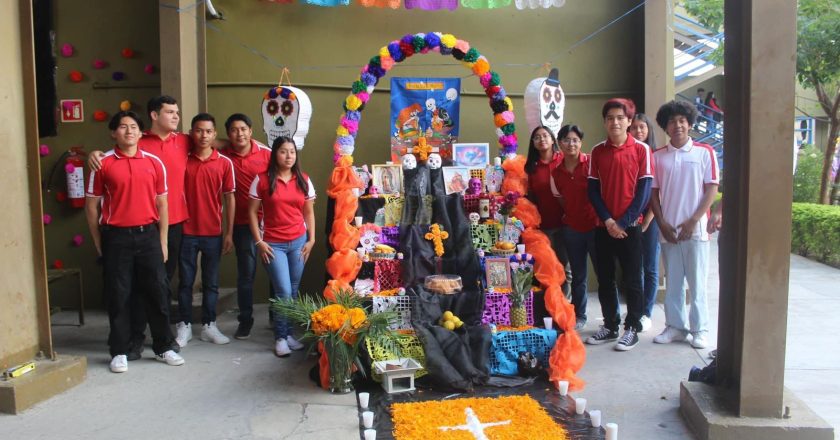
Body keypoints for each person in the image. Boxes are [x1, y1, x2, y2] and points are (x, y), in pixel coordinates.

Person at [88, 95, 191, 361]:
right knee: (119, 294)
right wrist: (99, 243)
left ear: (139, 131)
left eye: (133, 127)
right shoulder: (103, 164)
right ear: (114, 133)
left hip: (149, 236)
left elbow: (163, 205)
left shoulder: (154, 163)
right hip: (116, 237)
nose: (129, 131)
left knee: (158, 290)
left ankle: (164, 345)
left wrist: (163, 241)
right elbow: (91, 207)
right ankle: (120, 350)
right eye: (123, 127)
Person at [585, 98, 653, 351]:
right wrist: (609, 220)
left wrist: (623, 222)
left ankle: (632, 327)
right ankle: (611, 325)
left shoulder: (641, 150)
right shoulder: (597, 151)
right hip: (603, 226)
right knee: (605, 279)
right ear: (604, 122)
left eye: (620, 118)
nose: (615, 122)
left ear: (629, 121)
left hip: (630, 227)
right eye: (610, 118)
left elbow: (644, 191)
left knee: (634, 279)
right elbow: (593, 191)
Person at [651, 100, 719, 349]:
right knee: (673, 282)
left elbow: (711, 189)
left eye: (682, 120)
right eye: (672, 121)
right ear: (665, 127)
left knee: (697, 283)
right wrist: (662, 223)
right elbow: (653, 194)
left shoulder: (704, 152)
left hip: (697, 231)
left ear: (689, 124)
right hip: (669, 231)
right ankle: (675, 327)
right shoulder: (657, 157)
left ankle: (700, 329)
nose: (677, 125)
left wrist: (693, 220)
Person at [248, 136, 316, 357]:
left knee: (293, 291)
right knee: (283, 291)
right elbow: (251, 212)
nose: (288, 156)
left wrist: (311, 240)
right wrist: (259, 241)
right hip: (273, 244)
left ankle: (288, 335)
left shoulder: (303, 179)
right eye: (283, 152)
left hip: (298, 241)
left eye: (292, 152)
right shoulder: (262, 180)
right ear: (274, 154)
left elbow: (308, 212)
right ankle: (279, 337)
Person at [174, 113, 236, 347]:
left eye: (208, 131)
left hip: (213, 232)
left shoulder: (224, 162)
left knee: (211, 282)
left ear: (214, 134)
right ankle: (185, 325)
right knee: (186, 282)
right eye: (199, 130)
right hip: (186, 231)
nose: (203, 135)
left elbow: (230, 199)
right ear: (192, 133)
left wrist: (228, 233)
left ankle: (209, 325)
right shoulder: (182, 159)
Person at [219, 113, 273, 340]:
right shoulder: (222, 155)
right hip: (242, 225)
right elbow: (199, 140)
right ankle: (245, 321)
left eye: (243, 129)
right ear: (228, 134)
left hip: (270, 223)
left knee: (275, 274)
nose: (239, 133)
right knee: (246, 276)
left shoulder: (267, 154)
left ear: (251, 131)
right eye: (234, 130)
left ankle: (278, 317)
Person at [551, 124, 601, 330]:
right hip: (572, 229)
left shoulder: (591, 163)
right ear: (560, 144)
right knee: (578, 275)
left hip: (595, 227)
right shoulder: (557, 172)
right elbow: (562, 200)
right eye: (566, 140)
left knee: (603, 274)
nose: (571, 144)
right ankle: (580, 315)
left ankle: (611, 319)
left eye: (575, 140)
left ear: (580, 142)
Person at [525, 125, 571, 297]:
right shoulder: (531, 168)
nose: (542, 139)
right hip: (542, 227)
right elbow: (530, 199)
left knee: (564, 267)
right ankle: (548, 307)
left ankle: (565, 307)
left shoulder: (564, 160)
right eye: (537, 137)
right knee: (545, 267)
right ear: (533, 143)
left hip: (565, 223)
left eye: (545, 135)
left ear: (553, 140)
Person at [628, 113, 660, 332]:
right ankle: (636, 310)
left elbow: (657, 193)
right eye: (635, 128)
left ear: (649, 130)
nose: (639, 131)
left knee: (650, 267)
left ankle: (647, 312)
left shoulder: (656, 156)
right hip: (632, 219)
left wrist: (647, 220)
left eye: (643, 127)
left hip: (650, 218)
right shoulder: (630, 154)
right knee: (635, 268)